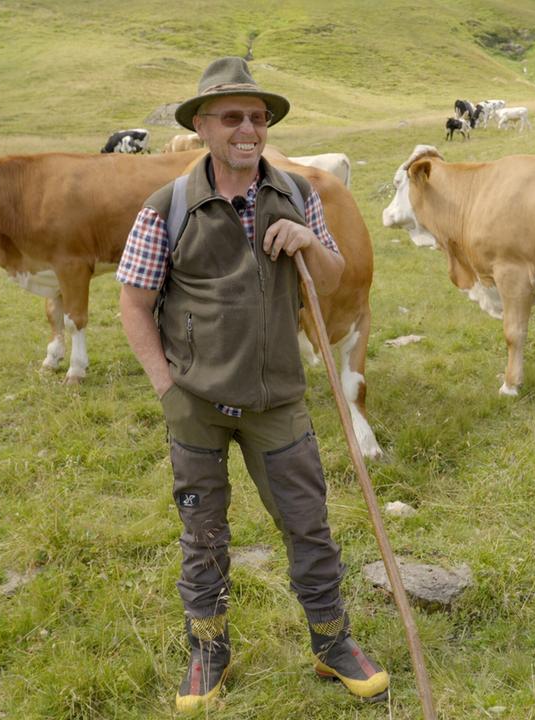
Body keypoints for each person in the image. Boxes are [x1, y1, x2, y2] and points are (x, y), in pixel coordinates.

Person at [116, 57, 389, 711]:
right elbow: (133, 303)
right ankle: (208, 652)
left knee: (309, 527)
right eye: (232, 117)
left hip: (278, 400)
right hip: (197, 405)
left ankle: (332, 646)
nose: (248, 128)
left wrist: (308, 242)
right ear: (203, 127)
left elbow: (330, 282)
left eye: (257, 117)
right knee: (203, 536)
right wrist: (165, 387)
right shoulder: (168, 207)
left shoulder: (297, 195)